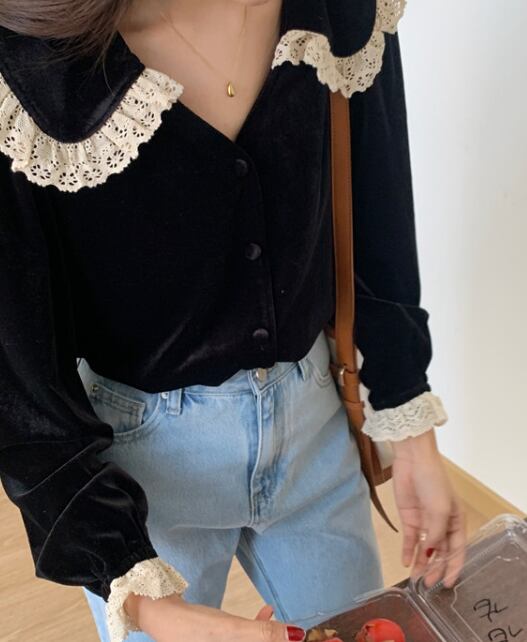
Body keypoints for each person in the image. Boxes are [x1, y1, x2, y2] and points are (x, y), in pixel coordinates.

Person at [0, 0, 467, 641]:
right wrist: (146, 601)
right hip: (142, 470)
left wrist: (414, 434)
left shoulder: (337, 9)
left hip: (317, 433)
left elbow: (376, 216)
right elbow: (20, 382)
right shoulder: (27, 65)